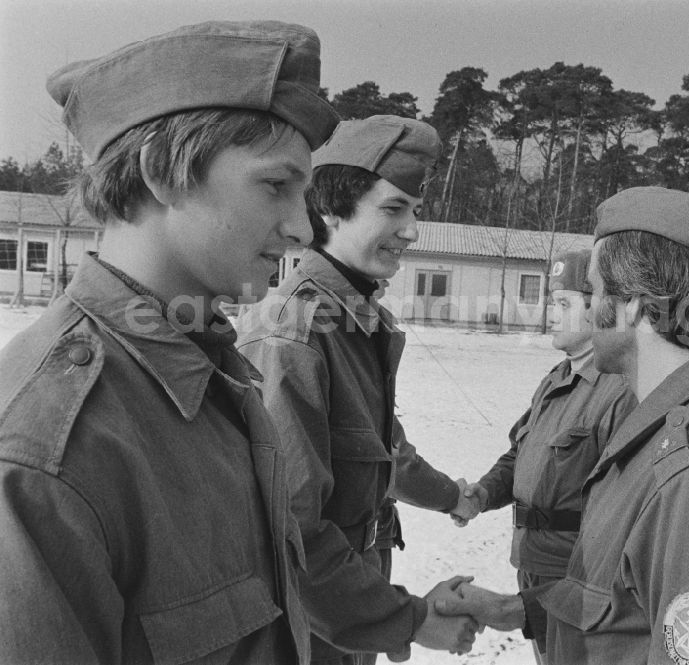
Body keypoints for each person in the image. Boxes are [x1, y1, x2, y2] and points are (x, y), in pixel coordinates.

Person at [0, 21, 476, 664]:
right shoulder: (43, 448)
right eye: (276, 186)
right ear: (161, 174)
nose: (302, 230)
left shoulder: (210, 371)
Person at [437, 186, 689, 665]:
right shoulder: (678, 426)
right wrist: (510, 610)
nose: (590, 306)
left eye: (598, 289)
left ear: (630, 304)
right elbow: (627, 609)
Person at [236, 114, 480, 664]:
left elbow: (382, 452)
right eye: (392, 209)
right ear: (327, 210)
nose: (412, 231)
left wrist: (451, 497)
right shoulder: (293, 333)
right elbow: (291, 526)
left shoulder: (354, 322)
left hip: (349, 604)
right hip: (308, 621)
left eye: (415, 212)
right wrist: (407, 622)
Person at [458, 248, 636, 663]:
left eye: (562, 303)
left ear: (598, 310)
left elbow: (623, 512)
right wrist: (482, 495)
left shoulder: (620, 391)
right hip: (535, 562)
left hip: (578, 577)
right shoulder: (556, 379)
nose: (548, 313)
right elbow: (519, 453)